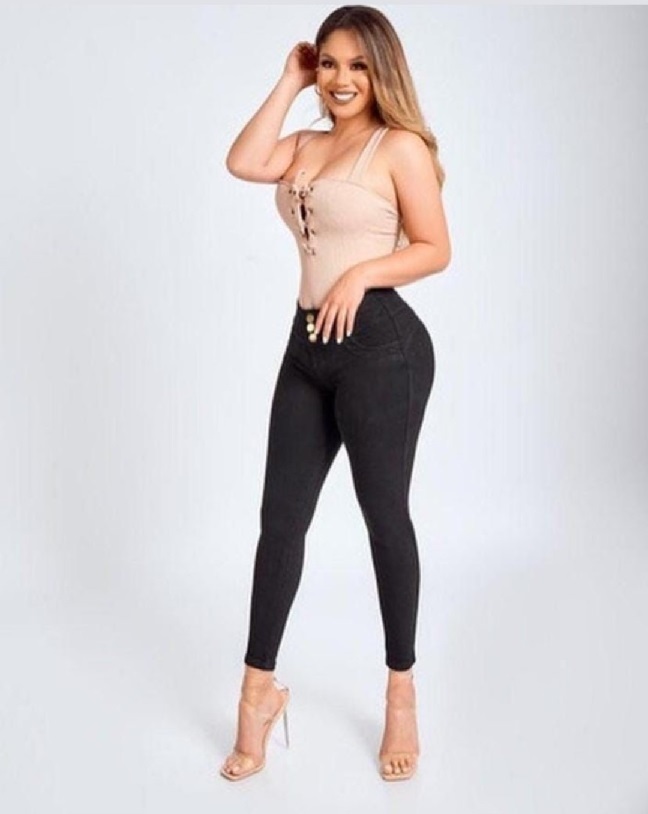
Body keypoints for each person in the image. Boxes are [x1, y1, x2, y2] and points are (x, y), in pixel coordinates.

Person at [220, 5, 451, 783]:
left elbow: (436, 248)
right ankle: (257, 697)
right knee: (279, 523)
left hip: (381, 350)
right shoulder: (308, 143)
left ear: (382, 70)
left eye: (357, 65)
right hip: (307, 349)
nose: (342, 79)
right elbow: (243, 161)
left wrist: (361, 273)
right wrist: (290, 80)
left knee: (383, 516)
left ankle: (401, 693)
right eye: (329, 63)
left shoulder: (399, 147)